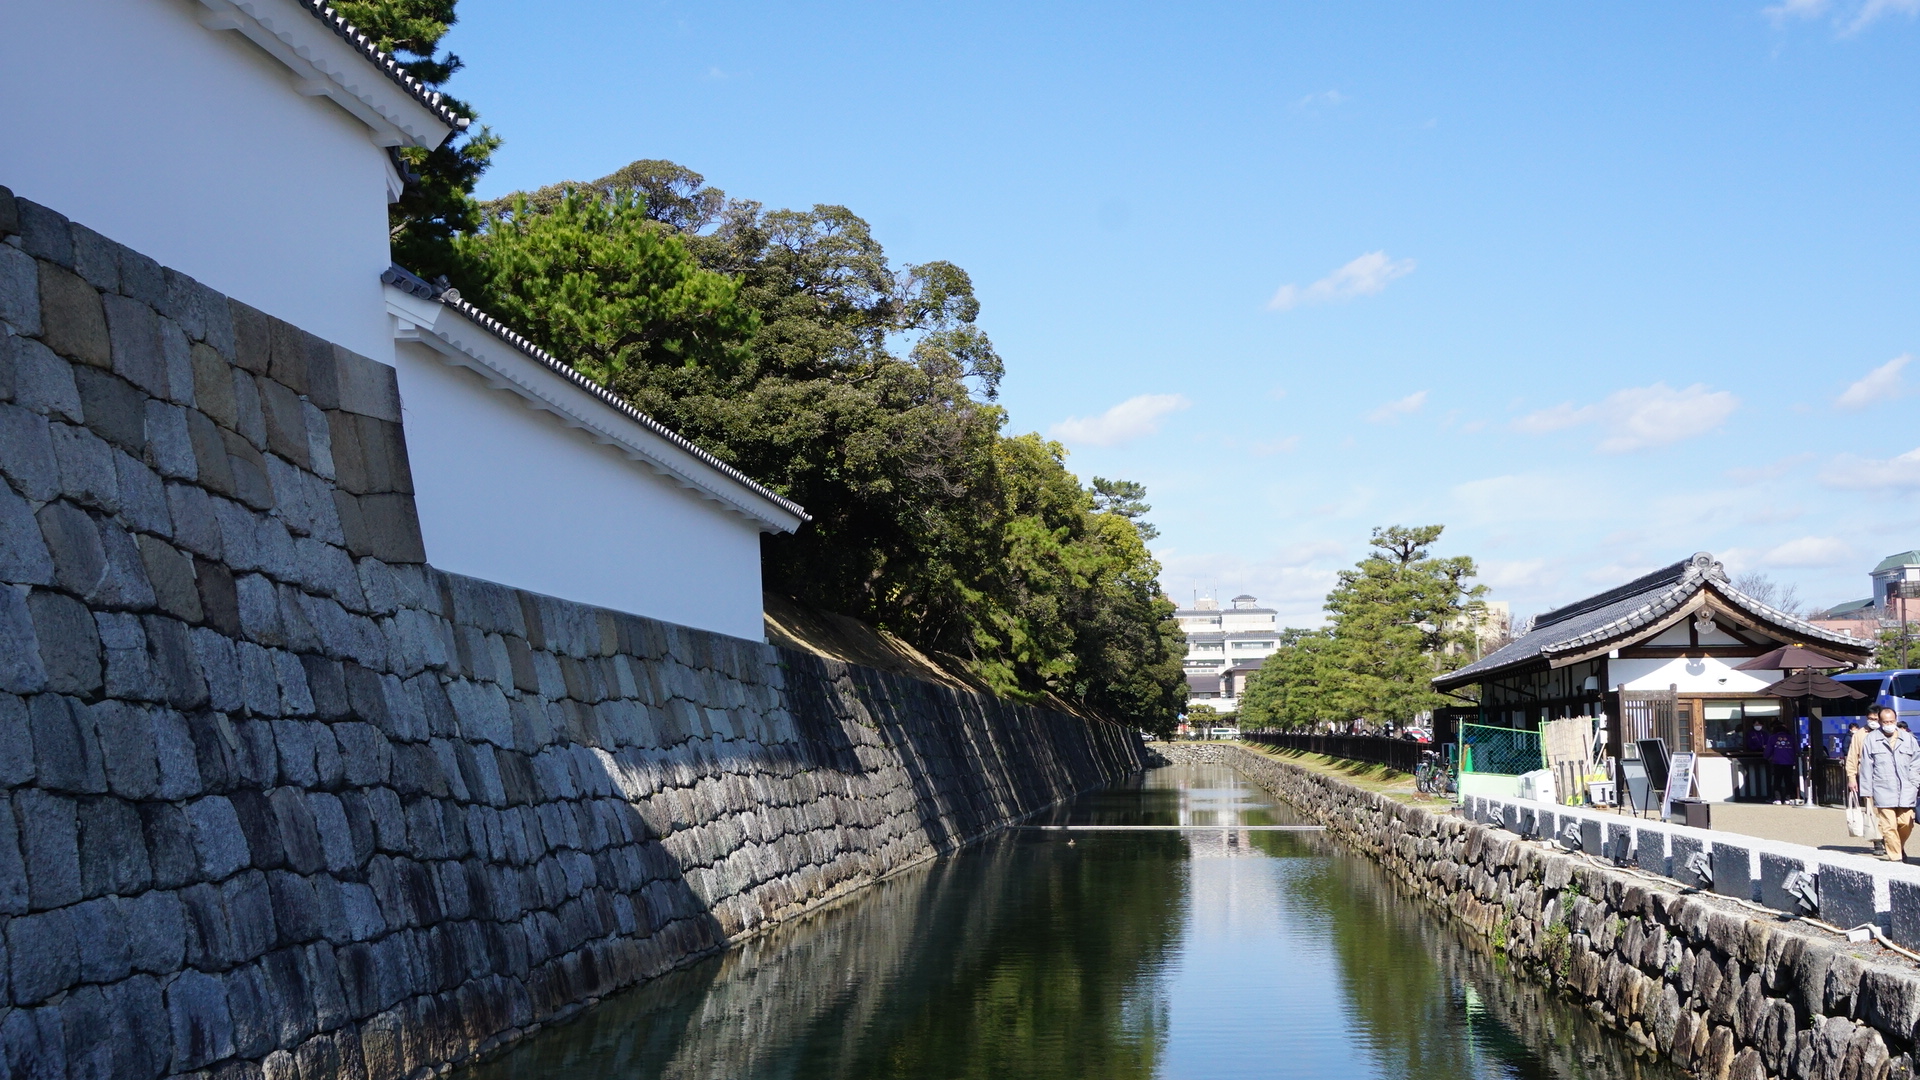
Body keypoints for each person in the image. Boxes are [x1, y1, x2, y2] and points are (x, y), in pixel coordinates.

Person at [1857, 705, 1920, 863]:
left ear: (1896, 720)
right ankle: (1896, 857)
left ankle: (1897, 845)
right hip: (1882, 789)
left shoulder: (1908, 739)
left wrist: (1915, 782)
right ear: (1880, 721)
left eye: (1891, 721)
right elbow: (1866, 766)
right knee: (1889, 825)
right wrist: (1866, 792)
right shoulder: (1871, 740)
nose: (1889, 724)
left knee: (1905, 823)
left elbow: (1916, 762)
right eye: (1885, 721)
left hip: (1906, 788)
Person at [1846, 720, 1882, 854]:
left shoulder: (1894, 733)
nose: (1874, 722)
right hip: (1868, 777)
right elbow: (1852, 757)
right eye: (1871, 718)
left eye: (1876, 718)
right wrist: (1852, 777)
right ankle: (1877, 841)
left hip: (1889, 778)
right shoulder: (1859, 735)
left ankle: (1892, 841)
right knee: (1872, 810)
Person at [1764, 722, 1798, 804]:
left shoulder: (1773, 738)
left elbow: (1768, 750)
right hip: (1789, 762)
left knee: (1777, 781)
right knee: (1788, 780)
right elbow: (1796, 749)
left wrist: (1766, 757)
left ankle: (1777, 799)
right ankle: (1788, 798)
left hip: (1777, 762)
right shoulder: (1791, 738)